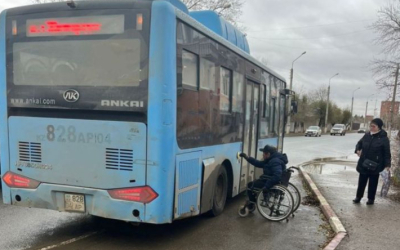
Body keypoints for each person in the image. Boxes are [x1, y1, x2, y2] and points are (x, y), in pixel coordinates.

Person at [354, 118, 391, 205]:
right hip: (364, 162)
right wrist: (358, 149)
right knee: (362, 182)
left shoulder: (384, 139)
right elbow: (359, 143)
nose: (371, 128)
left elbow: (387, 153)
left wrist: (387, 165)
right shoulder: (367, 135)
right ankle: (358, 197)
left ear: (379, 127)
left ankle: (371, 199)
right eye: (370, 126)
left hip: (376, 164)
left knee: (373, 183)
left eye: (373, 126)